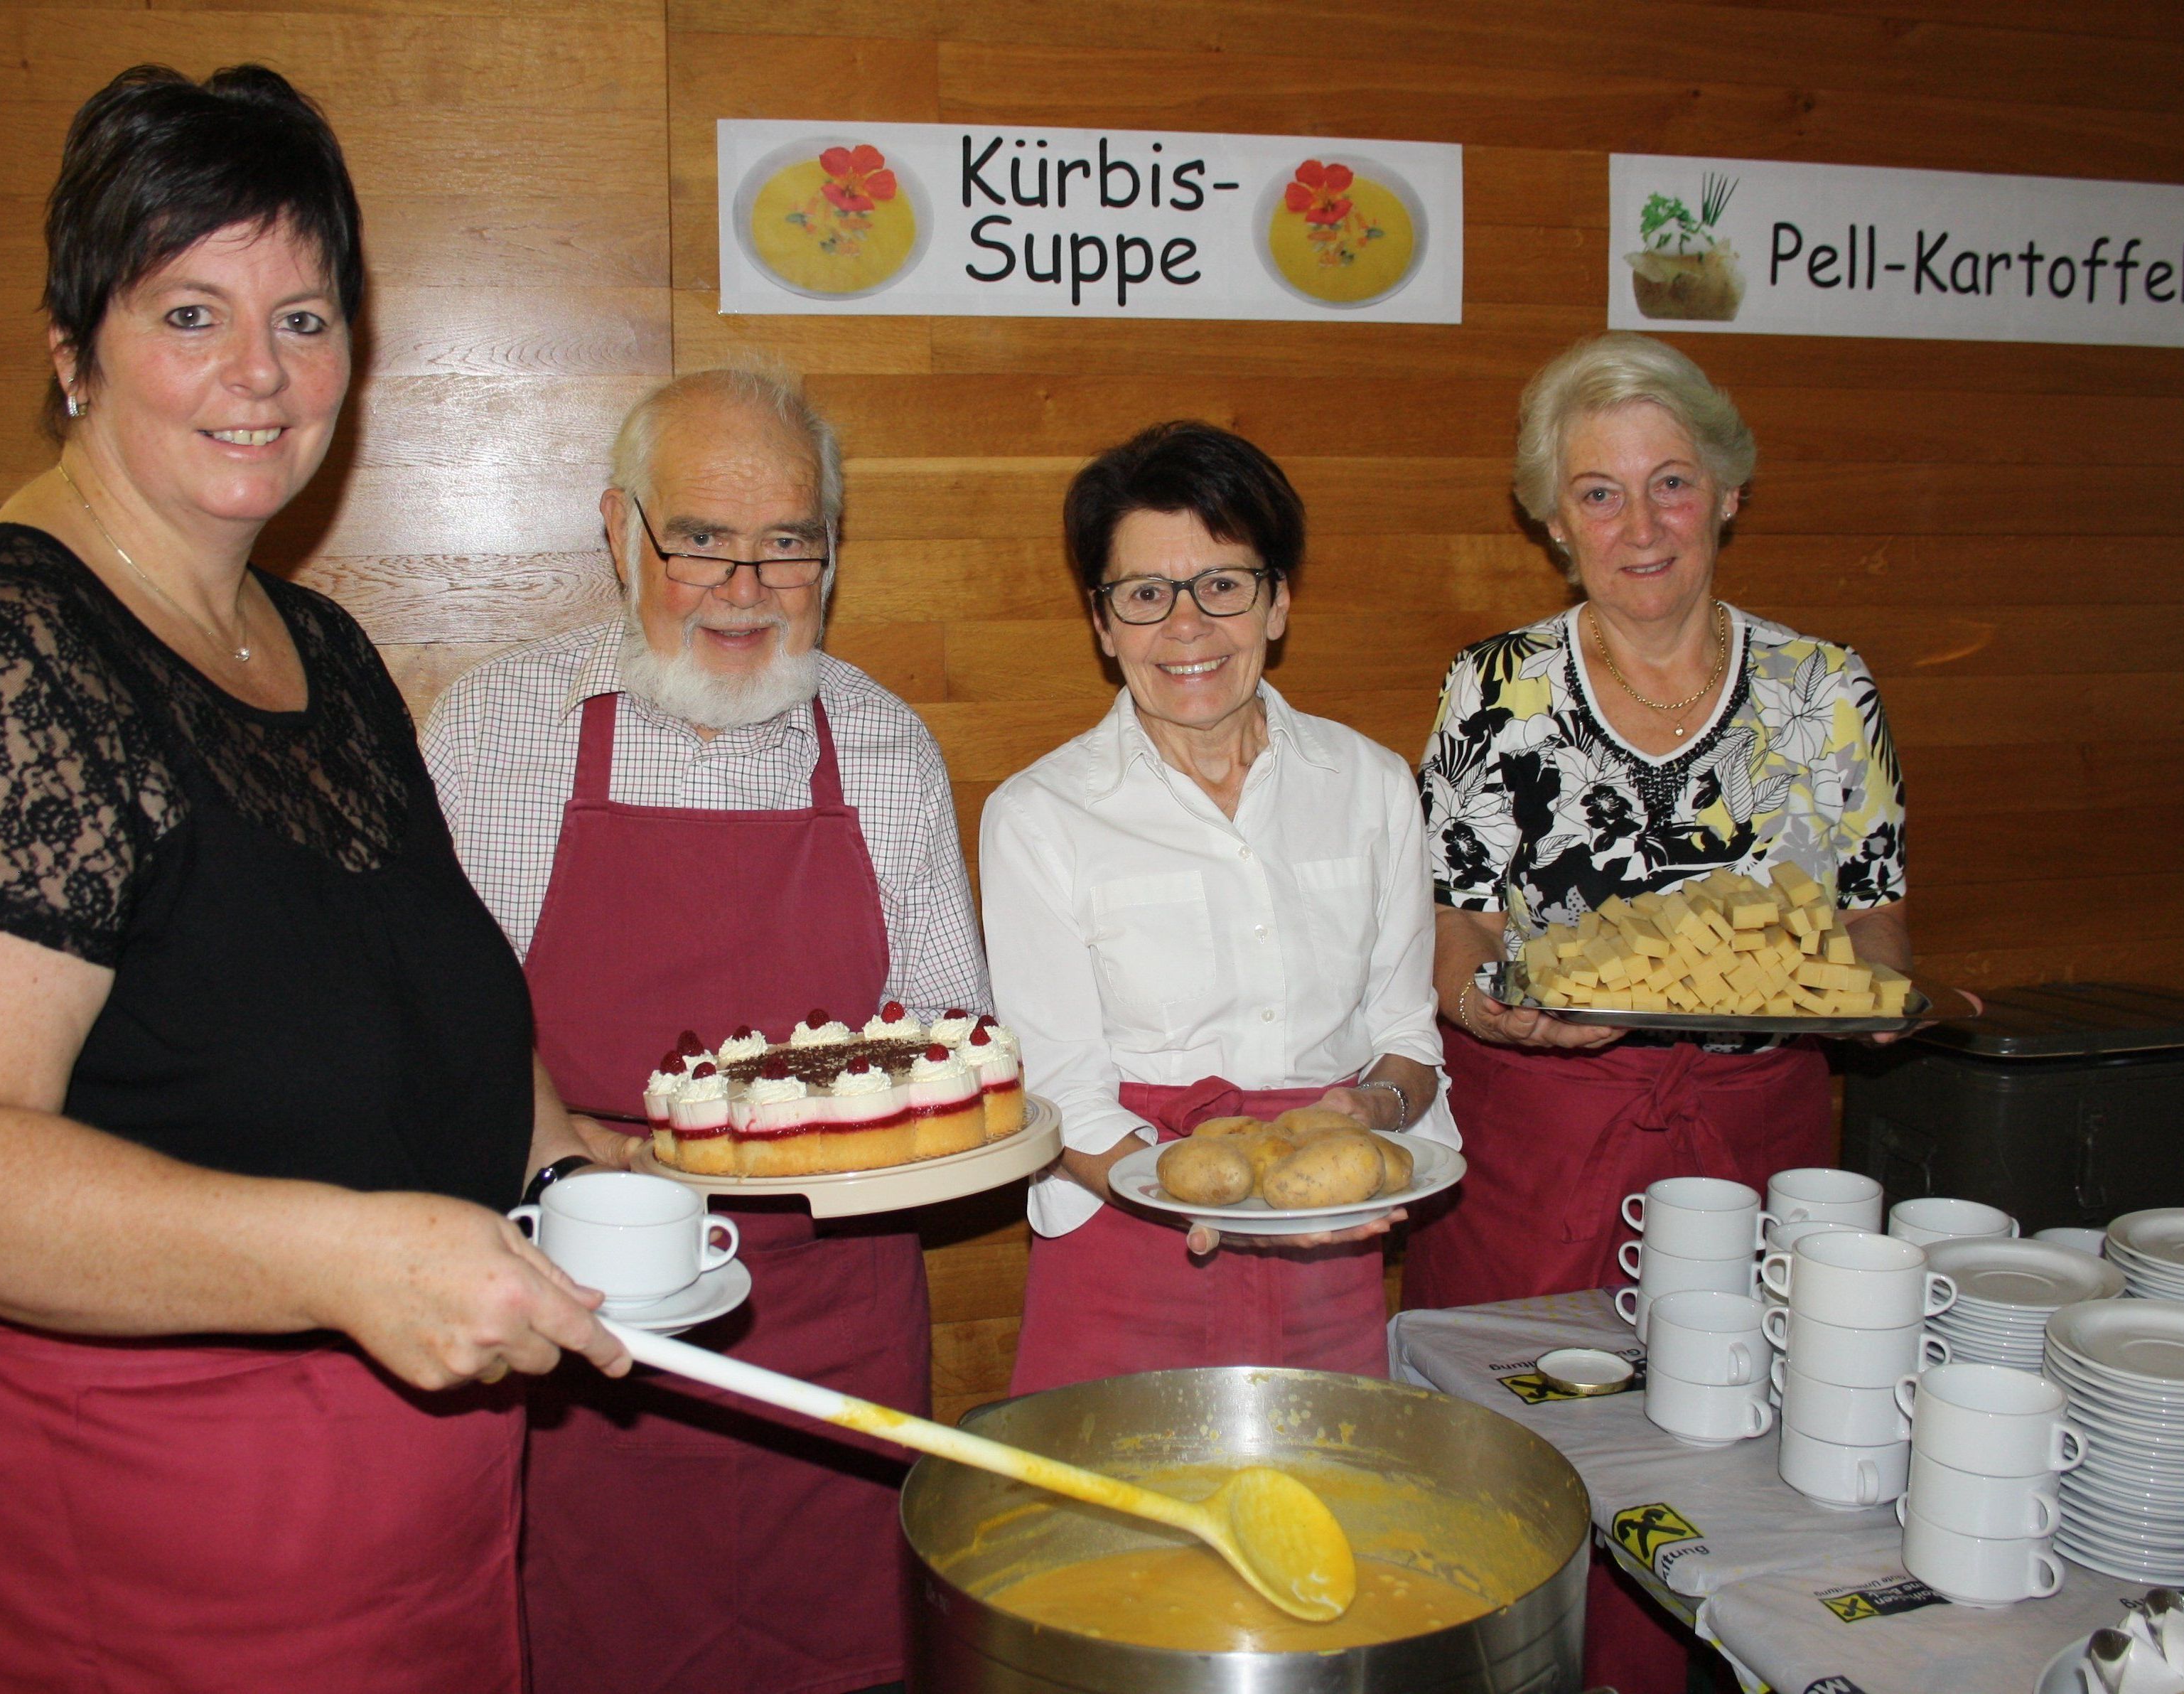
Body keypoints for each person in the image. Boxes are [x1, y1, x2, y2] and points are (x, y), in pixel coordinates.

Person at [0, 65, 628, 1694]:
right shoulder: (2, 659)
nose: (258, 374)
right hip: (157, 1556)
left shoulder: (316, 642)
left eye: (305, 318)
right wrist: (344, 1258)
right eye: (191, 314)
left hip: (425, 1537)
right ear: (69, 350)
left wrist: (574, 1156)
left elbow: (408, 986)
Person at [423, 368, 991, 1694]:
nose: (746, 587)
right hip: (583, 1313)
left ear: (831, 556)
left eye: (788, 542)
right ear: (622, 534)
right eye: (700, 541)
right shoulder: (498, 730)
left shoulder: (886, 744)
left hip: (835, 1307)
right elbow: (439, 1040)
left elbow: (955, 1034)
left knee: (846, 1652)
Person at [1401, 331, 1912, 1694]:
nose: (1641, 525)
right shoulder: (1491, 689)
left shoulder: (1821, 689)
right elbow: (1454, 929)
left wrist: (1865, 1004)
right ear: (1552, 521)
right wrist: (1490, 1011)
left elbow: (1872, 920)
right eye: (1600, 493)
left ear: (1729, 492)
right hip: (1539, 1138)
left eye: (1671, 482)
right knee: (1522, 1468)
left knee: (1734, 1462)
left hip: (1757, 1139)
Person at [981, 420, 1452, 1398]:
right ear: (1102, 624)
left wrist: (1377, 1110)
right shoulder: (1038, 816)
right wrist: (1189, 1190)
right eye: (1145, 595)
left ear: (1276, 602)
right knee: (1109, 1540)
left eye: (1223, 586)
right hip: (1121, 1224)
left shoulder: (1369, 785)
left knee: (1327, 1528)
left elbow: (1407, 1034)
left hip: (1327, 1230)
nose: (1185, 627)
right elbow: (1064, 1094)